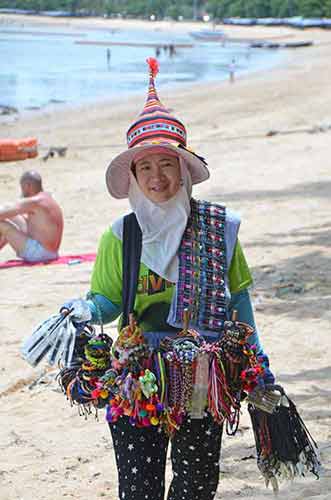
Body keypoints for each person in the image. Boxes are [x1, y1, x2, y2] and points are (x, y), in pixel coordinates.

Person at [61, 58, 274, 500]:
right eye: (146, 168)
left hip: (203, 378)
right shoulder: (121, 236)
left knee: (197, 484)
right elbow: (107, 301)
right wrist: (84, 309)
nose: (157, 177)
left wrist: (259, 367)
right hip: (136, 381)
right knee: (138, 488)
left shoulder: (220, 229)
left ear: (183, 170)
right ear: (134, 177)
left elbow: (238, 302)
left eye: (166, 164)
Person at [0, 170, 63, 262]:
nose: (22, 191)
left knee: (2, 224)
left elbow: (6, 210)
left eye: (22, 188)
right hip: (51, 253)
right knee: (13, 217)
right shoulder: (47, 198)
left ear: (28, 186)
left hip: (40, 254)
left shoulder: (35, 201)